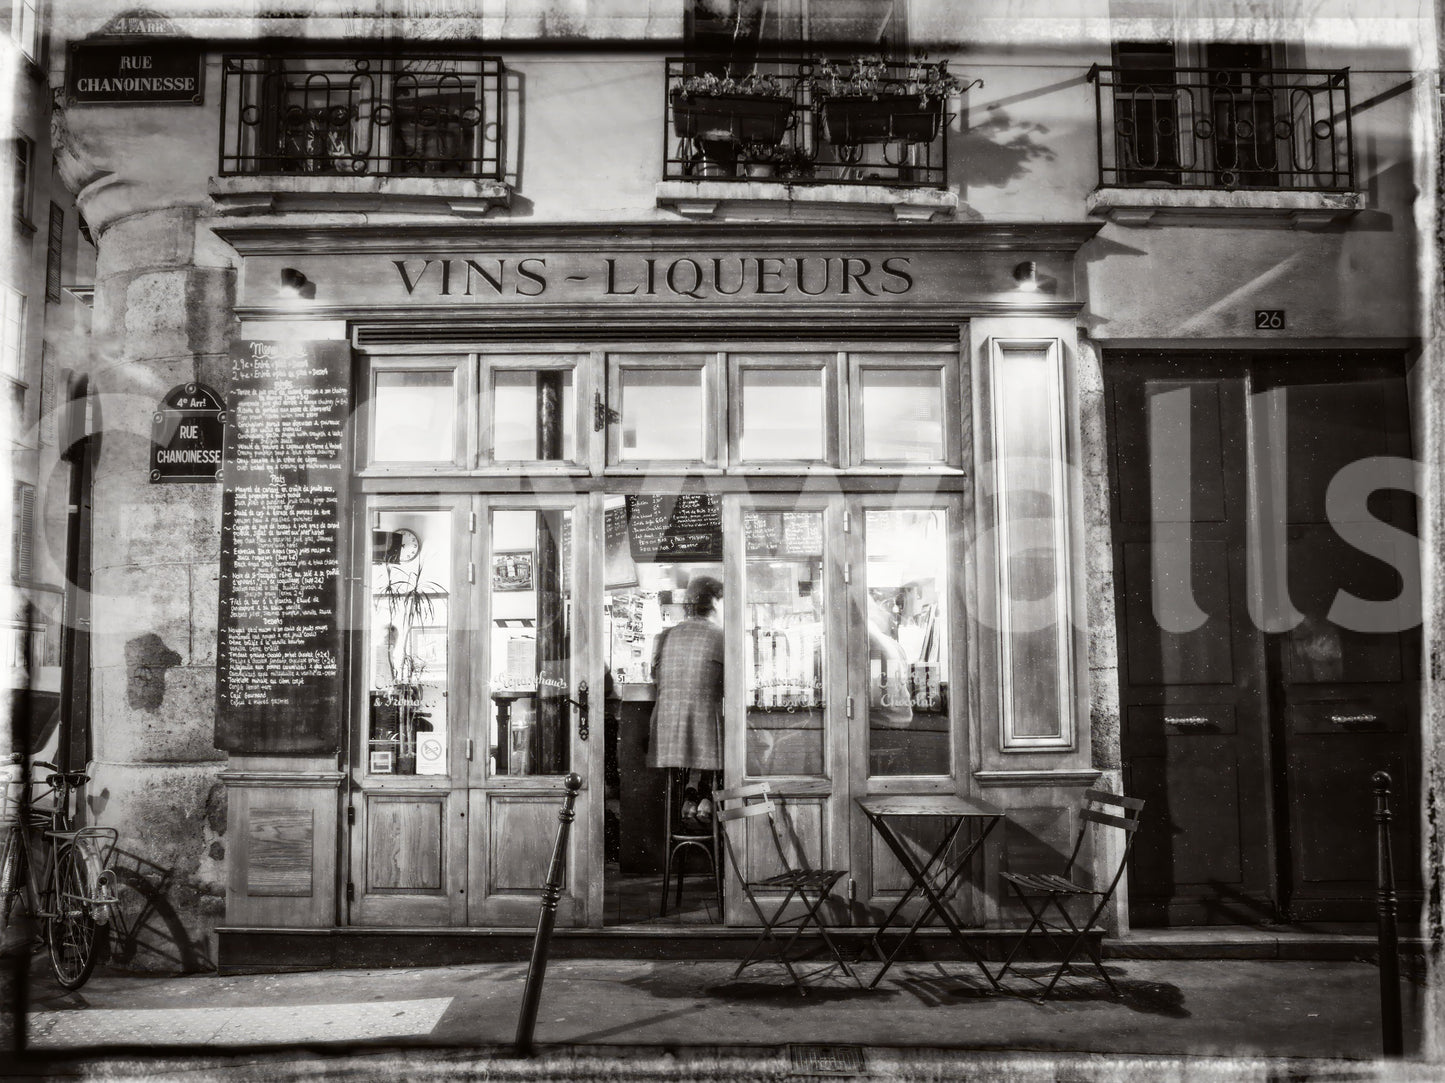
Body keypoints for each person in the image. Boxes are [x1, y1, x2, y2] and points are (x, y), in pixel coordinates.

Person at [649, 575, 724, 828]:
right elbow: (733, 684)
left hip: (667, 735)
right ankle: (705, 796)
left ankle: (691, 795)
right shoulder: (720, 636)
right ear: (714, 603)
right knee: (727, 744)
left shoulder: (665, 636)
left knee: (699, 750)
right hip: (705, 735)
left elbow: (655, 677)